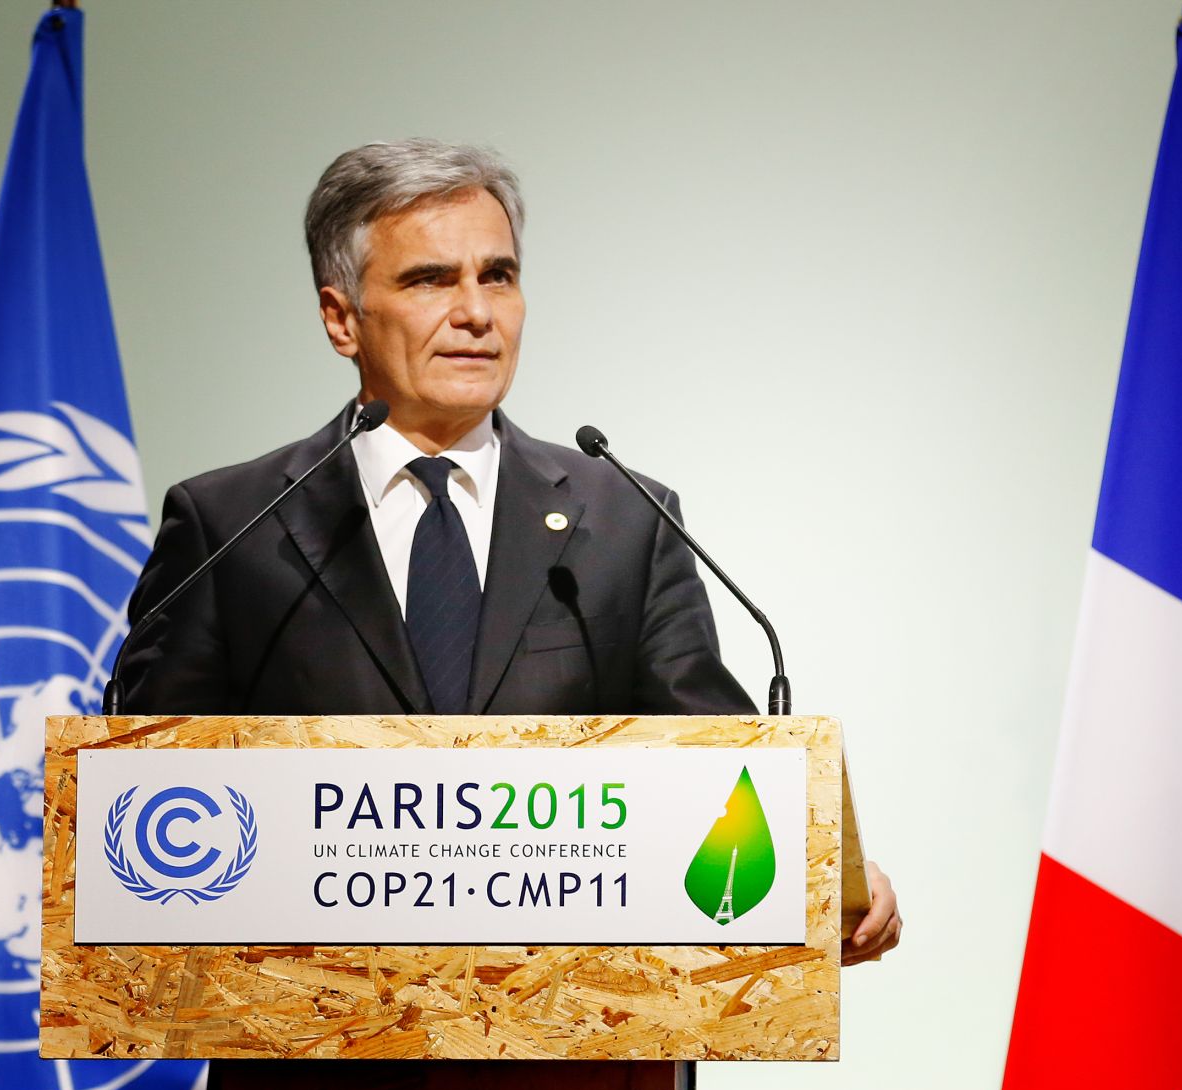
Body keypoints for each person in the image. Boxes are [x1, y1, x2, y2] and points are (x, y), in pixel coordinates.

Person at [118, 137, 899, 952]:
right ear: (341, 317)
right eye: (429, 280)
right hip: (310, 1047)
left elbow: (718, 774)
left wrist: (823, 873)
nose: (477, 313)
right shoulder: (231, 527)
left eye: (498, 275)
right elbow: (146, 793)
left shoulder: (623, 520)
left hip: (579, 1052)